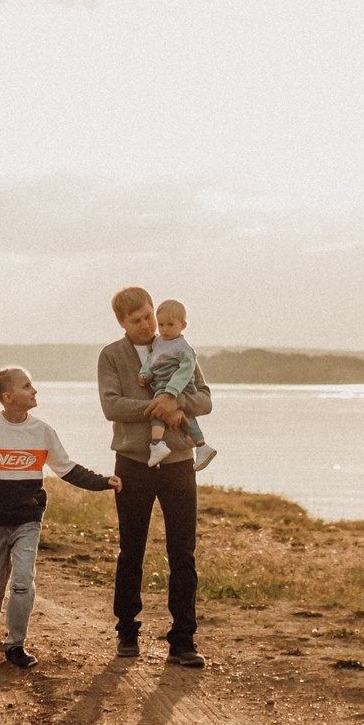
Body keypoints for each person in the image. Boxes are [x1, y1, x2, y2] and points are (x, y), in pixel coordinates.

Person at [0, 365, 120, 670]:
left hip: (27, 519)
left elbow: (66, 468)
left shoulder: (42, 432)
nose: (35, 391)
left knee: (22, 581)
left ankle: (16, 644)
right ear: (8, 397)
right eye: (27, 386)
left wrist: (103, 482)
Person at [98, 285, 210, 667]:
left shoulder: (180, 345)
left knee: (183, 553)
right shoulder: (111, 356)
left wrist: (175, 399)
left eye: (149, 315)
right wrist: (155, 406)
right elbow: (111, 405)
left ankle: (183, 640)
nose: (148, 325)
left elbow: (205, 399)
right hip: (132, 462)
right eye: (137, 321)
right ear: (122, 323)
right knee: (132, 550)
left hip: (179, 462)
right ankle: (127, 631)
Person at [140, 298, 218, 471]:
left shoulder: (183, 348)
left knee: (158, 412)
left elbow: (185, 371)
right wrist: (145, 373)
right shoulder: (159, 342)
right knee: (184, 416)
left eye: (170, 324)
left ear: (183, 325)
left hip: (178, 386)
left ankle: (157, 444)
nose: (165, 329)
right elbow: (152, 360)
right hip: (162, 384)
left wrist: (171, 393)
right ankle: (201, 445)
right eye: (161, 324)